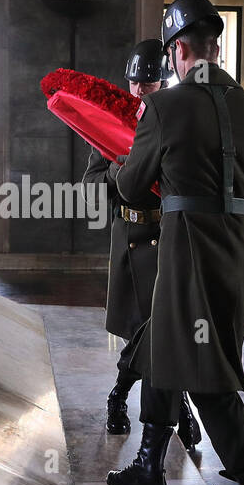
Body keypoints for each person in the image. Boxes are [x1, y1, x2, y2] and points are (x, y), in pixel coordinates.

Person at [108, 0, 244, 485]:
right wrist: (237, 208)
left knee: (202, 370)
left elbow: (127, 184)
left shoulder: (165, 108)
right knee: (167, 347)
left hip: (186, 247)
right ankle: (149, 464)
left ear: (178, 51)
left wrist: (131, 159)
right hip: (239, 251)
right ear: (215, 46)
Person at [82, 40, 201, 447]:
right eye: (134, 83)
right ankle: (146, 401)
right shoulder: (108, 124)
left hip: (168, 240)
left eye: (147, 85)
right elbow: (91, 186)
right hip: (129, 241)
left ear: (162, 83)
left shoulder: (174, 120)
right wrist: (118, 171)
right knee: (141, 329)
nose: (137, 92)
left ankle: (132, 397)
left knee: (160, 332)